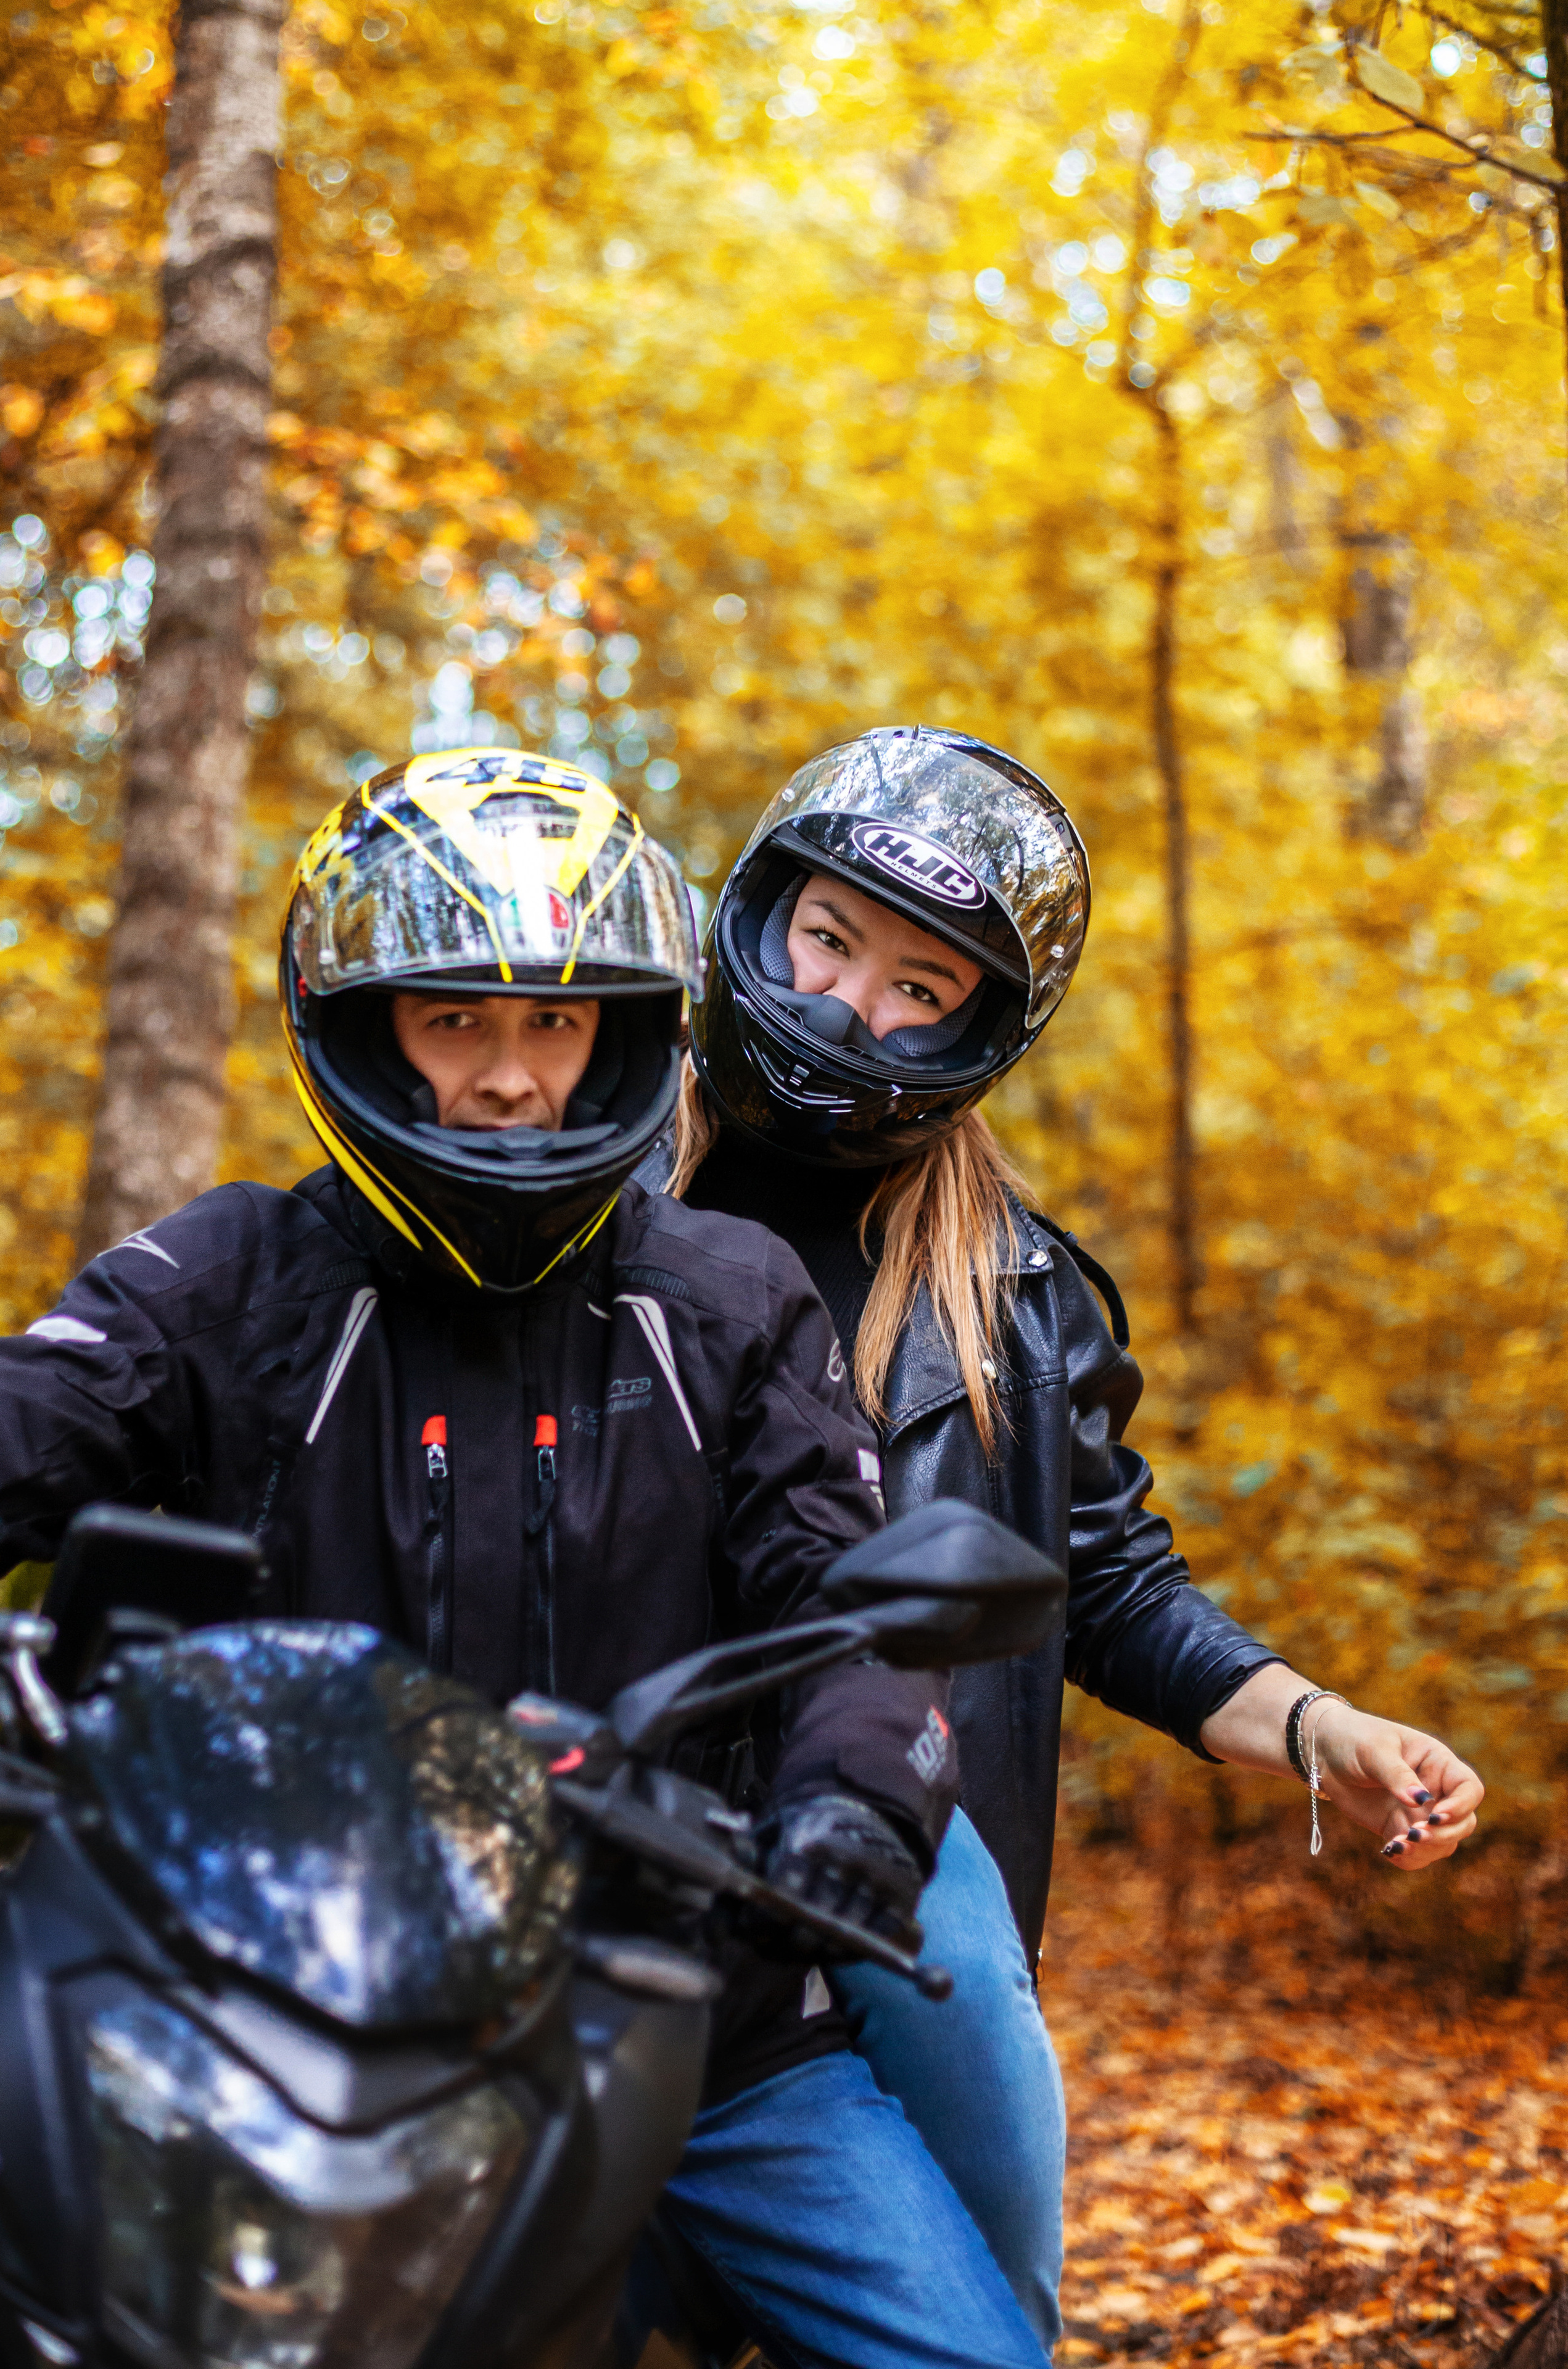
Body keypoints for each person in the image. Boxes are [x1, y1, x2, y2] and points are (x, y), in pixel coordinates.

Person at [0, 745, 1053, 2369]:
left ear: (620, 1033)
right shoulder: (226, 1281)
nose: (508, 1077)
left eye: (552, 1023)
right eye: (457, 1019)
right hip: (291, 2019)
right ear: (363, 1026)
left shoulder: (726, 1295)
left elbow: (855, 1614)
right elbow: (27, 1414)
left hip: (699, 2014)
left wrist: (849, 1807)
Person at [651, 724, 1486, 2357]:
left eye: (920, 987)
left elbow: (1110, 1586)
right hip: (594, 1797)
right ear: (761, 919)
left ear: (980, 1027)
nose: (853, 1008)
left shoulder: (1016, 1293)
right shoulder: (574, 1187)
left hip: (902, 1834)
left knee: (982, 2272)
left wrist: (1324, 1730)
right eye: (830, 943)